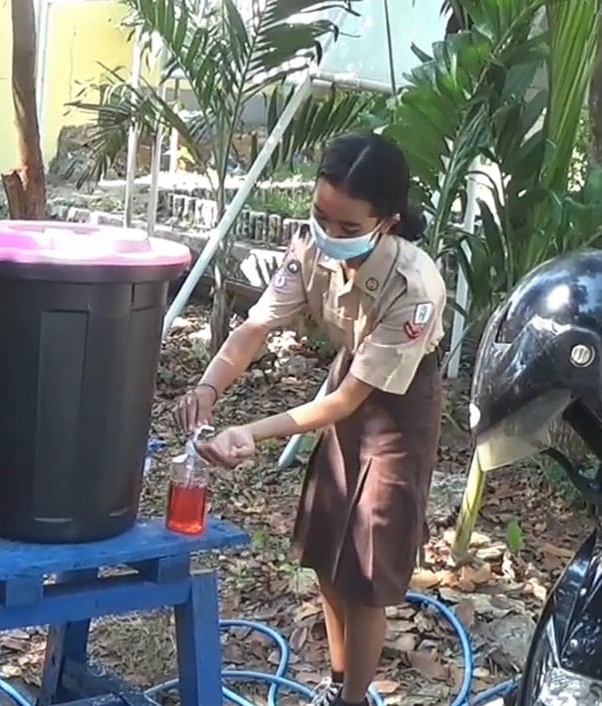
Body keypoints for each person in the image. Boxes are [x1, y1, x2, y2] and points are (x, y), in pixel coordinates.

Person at [177, 132, 448, 706]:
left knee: (366, 577)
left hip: (400, 410)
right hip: (350, 382)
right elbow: (256, 326)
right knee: (326, 552)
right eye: (321, 216)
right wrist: (209, 386)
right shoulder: (311, 248)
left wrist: (250, 431)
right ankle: (337, 681)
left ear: (388, 222)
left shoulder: (414, 286)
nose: (329, 235)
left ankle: (355, 700)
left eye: (348, 228)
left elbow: (347, 401)